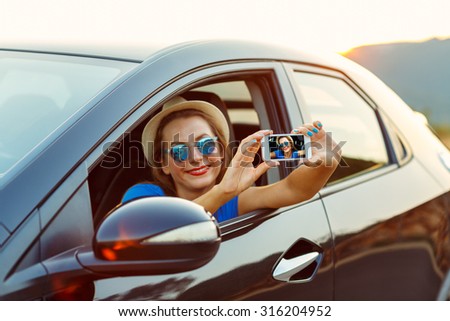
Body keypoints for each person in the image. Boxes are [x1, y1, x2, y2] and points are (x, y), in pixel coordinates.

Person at [122, 97, 341, 223]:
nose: (197, 158)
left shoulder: (236, 200)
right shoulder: (143, 197)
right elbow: (154, 228)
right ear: (163, 164)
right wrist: (223, 191)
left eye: (206, 145)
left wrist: (326, 162)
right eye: (180, 151)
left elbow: (294, 189)